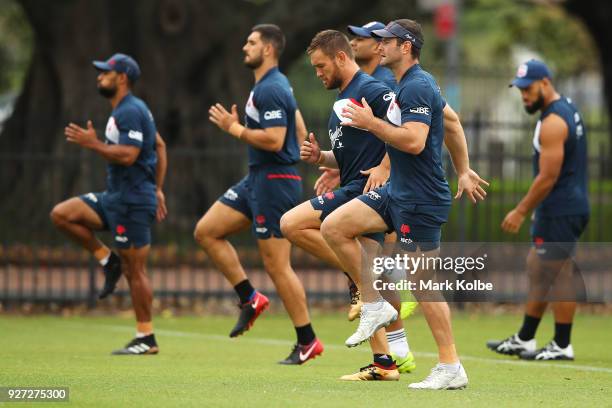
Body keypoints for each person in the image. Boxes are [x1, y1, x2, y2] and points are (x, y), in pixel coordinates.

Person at [321, 19, 488, 388]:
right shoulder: (406, 85)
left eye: (386, 41)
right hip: (397, 192)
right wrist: (464, 170)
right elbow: (454, 123)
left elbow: (413, 141)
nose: (379, 47)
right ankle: (376, 303)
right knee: (334, 226)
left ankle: (450, 366)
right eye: (377, 42)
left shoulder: (416, 85)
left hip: (421, 199)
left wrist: (370, 122)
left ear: (406, 46)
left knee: (423, 283)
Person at [280, 29, 415, 375]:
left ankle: (359, 280)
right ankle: (384, 364)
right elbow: (351, 156)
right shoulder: (343, 97)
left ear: (341, 57)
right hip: (354, 185)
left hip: (365, 192)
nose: (318, 73)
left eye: (321, 66)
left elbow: (405, 125)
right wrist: (321, 157)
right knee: (367, 289)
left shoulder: (369, 89)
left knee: (290, 223)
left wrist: (386, 167)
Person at [194, 24, 323, 365]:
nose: (244, 47)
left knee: (277, 265)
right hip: (257, 178)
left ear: (268, 49)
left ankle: (307, 341)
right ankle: (249, 298)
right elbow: (296, 129)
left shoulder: (271, 88)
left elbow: (276, 139)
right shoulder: (272, 86)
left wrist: (234, 128)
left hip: (274, 181)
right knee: (206, 231)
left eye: (250, 42)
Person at [51, 53, 168, 355]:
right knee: (62, 215)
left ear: (122, 78)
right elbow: (159, 146)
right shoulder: (123, 110)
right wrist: (158, 189)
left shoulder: (130, 110)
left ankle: (146, 337)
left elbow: (129, 154)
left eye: (106, 73)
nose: (99, 77)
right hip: (114, 196)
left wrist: (93, 144)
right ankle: (107, 259)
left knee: (136, 271)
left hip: (131, 202)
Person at [487, 59, 589, 361]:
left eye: (528, 89)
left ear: (545, 82)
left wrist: (520, 210)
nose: (524, 96)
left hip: (560, 209)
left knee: (559, 273)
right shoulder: (566, 107)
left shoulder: (553, 121)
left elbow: (548, 177)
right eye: (520, 90)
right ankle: (526, 338)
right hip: (562, 206)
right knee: (537, 267)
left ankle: (561, 344)